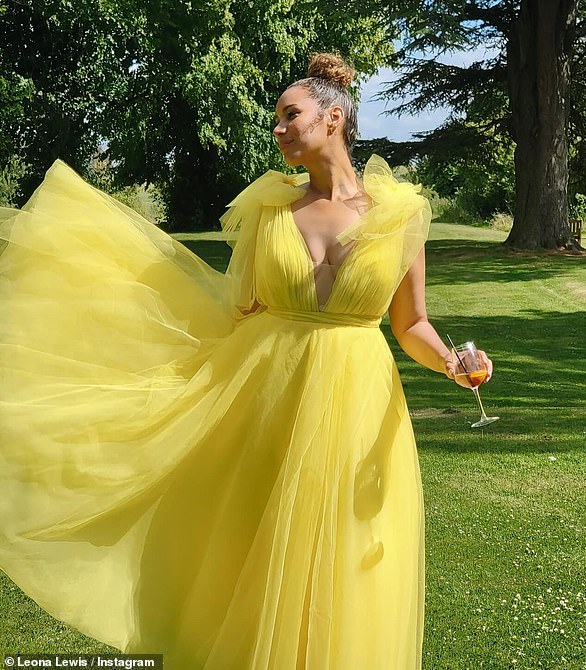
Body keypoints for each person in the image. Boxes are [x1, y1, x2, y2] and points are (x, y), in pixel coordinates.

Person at [0, 52, 492, 668]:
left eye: (292, 115)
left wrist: (451, 361)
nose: (279, 129)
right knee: (261, 545)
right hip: (270, 394)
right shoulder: (269, 209)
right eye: (276, 121)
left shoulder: (399, 215)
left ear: (334, 116)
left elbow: (411, 323)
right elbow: (242, 310)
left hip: (358, 399)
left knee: (340, 544)